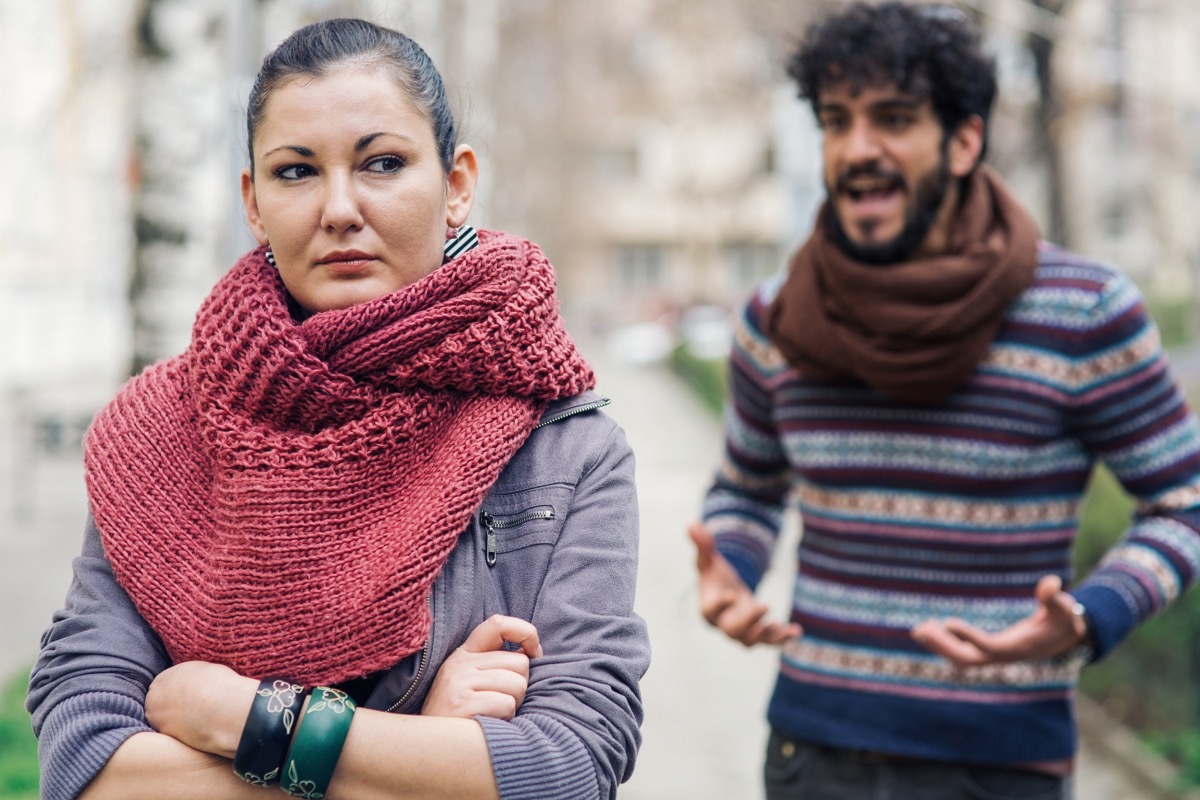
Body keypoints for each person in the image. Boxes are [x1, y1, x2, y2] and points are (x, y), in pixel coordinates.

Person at [27, 18, 647, 800]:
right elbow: (88, 769)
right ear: (253, 203)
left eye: (383, 163)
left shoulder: (567, 449)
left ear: (456, 185)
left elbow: (573, 766)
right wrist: (424, 752)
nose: (340, 208)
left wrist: (244, 717)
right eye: (296, 172)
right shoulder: (159, 435)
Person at [689, 3, 1200, 799]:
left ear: (964, 141)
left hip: (998, 766)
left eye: (893, 119)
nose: (858, 149)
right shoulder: (777, 317)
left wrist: (1090, 611)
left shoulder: (1083, 312)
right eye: (836, 121)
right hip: (811, 756)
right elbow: (747, 490)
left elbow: (1183, 504)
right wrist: (733, 566)